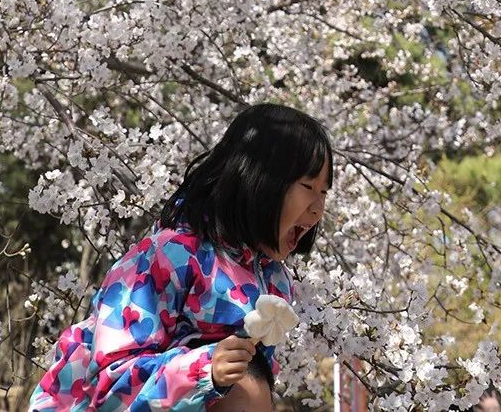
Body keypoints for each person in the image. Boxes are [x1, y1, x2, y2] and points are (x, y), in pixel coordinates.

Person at [28, 103, 333, 411]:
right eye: (308, 186)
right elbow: (109, 387)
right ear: (258, 180)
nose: (318, 208)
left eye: (324, 193)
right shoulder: (167, 258)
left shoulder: (276, 284)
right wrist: (204, 373)